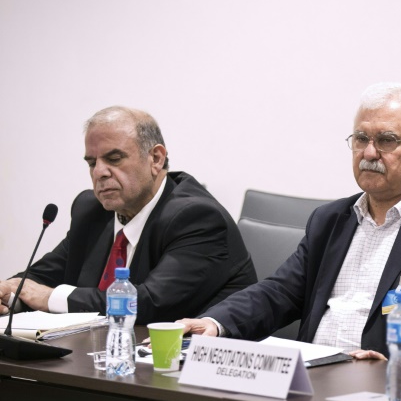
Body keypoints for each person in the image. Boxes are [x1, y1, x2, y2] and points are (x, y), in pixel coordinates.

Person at [178, 82, 401, 372]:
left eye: (386, 140)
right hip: (309, 385)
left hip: (390, 399)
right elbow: (279, 292)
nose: (369, 153)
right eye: (361, 139)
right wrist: (215, 322)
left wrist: (400, 367)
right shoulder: (330, 220)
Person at [0, 106, 257, 324]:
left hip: (186, 369)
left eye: (114, 158)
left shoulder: (197, 218)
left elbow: (149, 303)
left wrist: (49, 297)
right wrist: (8, 294)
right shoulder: (92, 211)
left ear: (156, 159)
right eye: (92, 162)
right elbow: (40, 277)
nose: (99, 172)